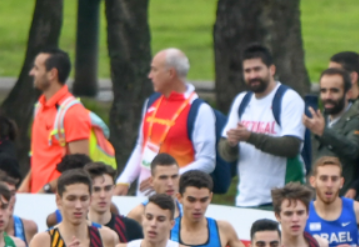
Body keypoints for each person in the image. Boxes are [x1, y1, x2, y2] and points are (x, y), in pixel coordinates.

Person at [117, 48, 218, 196]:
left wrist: (167, 179)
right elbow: (141, 146)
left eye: (154, 70)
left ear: (170, 73)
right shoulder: (151, 102)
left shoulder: (199, 110)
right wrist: (124, 180)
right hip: (144, 198)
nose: (150, 76)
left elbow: (207, 162)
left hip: (176, 200)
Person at [220, 45, 306, 208]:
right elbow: (225, 151)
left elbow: (291, 146)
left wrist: (250, 137)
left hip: (282, 200)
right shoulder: (241, 101)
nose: (252, 75)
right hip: (245, 199)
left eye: (257, 69)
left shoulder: (288, 99)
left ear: (271, 69)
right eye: (247, 71)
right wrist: (231, 144)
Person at [24, 49, 93, 193]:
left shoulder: (72, 112)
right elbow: (40, 158)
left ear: (52, 74)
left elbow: (80, 166)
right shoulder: (40, 107)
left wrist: (47, 188)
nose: (32, 73)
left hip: (57, 199)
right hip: (38, 196)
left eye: (37, 68)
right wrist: (24, 188)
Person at [304, 67, 359, 194]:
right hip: (316, 198)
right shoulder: (322, 117)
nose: (328, 96)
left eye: (334, 91)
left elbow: (353, 150)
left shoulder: (357, 119)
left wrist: (323, 132)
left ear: (348, 94)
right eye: (323, 91)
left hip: (339, 200)